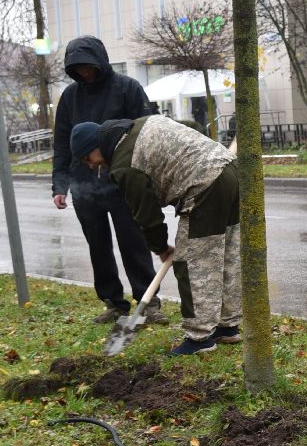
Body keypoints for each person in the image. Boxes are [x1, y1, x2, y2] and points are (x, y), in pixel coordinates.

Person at [72, 115, 241, 356]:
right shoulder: (139, 125)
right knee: (228, 256)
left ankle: (200, 338)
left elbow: (146, 215)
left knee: (193, 264)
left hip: (203, 185)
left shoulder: (124, 163)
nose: (91, 166)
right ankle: (227, 326)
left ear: (95, 146)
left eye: (88, 158)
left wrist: (160, 247)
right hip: (229, 171)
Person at [51, 36, 164, 325]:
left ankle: (148, 301)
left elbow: (147, 132)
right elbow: (62, 143)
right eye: (78, 70)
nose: (85, 74)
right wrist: (59, 185)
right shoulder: (70, 97)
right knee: (97, 246)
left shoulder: (127, 88)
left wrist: (147, 177)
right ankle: (113, 302)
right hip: (84, 184)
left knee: (134, 242)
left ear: (100, 62)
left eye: (89, 67)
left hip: (122, 182)